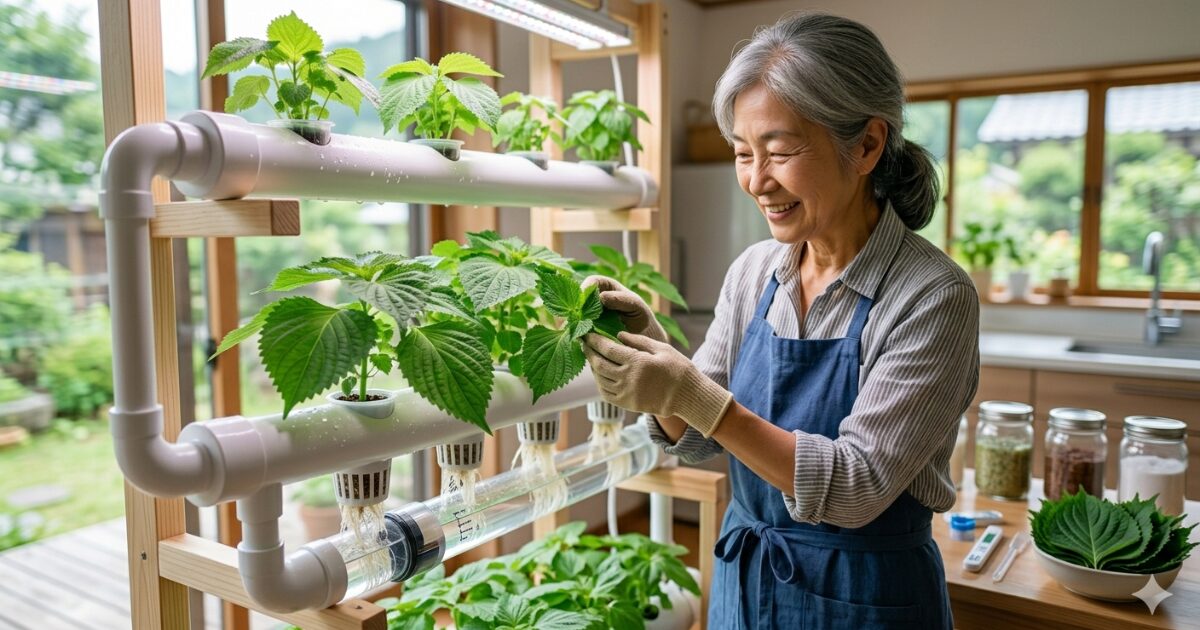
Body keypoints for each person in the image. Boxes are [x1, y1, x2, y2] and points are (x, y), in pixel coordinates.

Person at [581, 12, 978, 629]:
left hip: (866, 595)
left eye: (780, 151)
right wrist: (649, 344)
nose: (757, 181)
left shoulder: (932, 295)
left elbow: (856, 483)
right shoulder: (754, 271)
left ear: (868, 145)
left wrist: (689, 391)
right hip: (745, 584)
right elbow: (695, 435)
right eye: (742, 154)